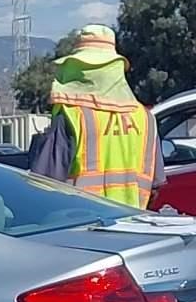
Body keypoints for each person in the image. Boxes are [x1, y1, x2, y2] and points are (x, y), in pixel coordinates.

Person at [28, 24, 158, 208]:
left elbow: (44, 184)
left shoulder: (72, 114)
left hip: (79, 225)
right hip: (133, 225)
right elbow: (154, 186)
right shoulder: (145, 118)